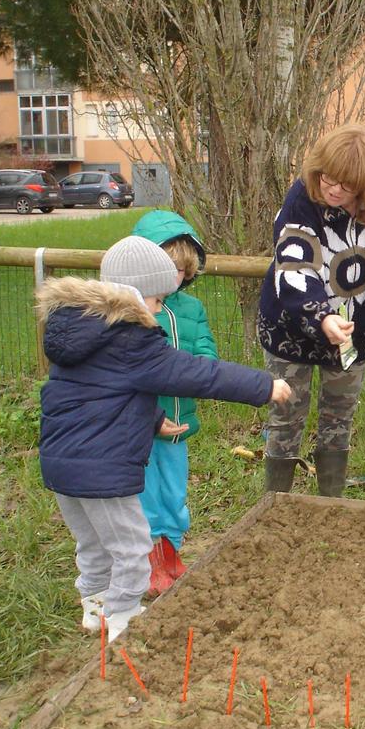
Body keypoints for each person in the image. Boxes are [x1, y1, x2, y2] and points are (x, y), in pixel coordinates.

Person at [37, 236, 291, 641]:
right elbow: (198, 373)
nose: (159, 308)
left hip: (61, 462)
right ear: (133, 296)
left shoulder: (81, 330)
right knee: (132, 546)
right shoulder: (129, 339)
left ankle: (94, 607)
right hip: (103, 469)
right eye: (156, 299)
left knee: (94, 544)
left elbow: (100, 392)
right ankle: (122, 619)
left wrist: (153, 420)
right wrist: (264, 386)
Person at [257, 124, 365, 497]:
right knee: (286, 416)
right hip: (289, 325)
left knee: (338, 418)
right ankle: (276, 505)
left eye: (346, 185)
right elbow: (294, 265)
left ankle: (330, 506)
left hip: (352, 327)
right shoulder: (302, 197)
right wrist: (321, 317)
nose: (332, 188)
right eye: (327, 177)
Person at [132, 210, 217, 597]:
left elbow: (205, 352)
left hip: (181, 422)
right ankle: (150, 563)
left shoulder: (191, 310)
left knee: (174, 494)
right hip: (145, 426)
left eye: (181, 271)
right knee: (147, 494)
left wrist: (204, 372)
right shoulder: (132, 310)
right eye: (165, 269)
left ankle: (172, 554)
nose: (173, 278)